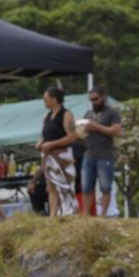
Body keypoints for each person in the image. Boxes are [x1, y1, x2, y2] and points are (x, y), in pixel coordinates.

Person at [36, 86, 80, 214]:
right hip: (49, 156)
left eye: (46, 98)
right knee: (51, 187)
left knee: (65, 187)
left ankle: (69, 213)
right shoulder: (47, 116)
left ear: (54, 99)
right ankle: (53, 215)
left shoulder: (66, 115)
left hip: (62, 156)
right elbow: (45, 135)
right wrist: (41, 142)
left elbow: (72, 136)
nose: (44, 101)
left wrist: (52, 144)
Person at [79, 87, 122, 217]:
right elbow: (81, 134)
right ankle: (85, 214)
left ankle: (103, 215)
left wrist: (96, 127)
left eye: (96, 99)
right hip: (89, 154)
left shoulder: (112, 112)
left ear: (104, 97)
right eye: (91, 100)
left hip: (105, 155)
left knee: (105, 187)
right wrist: (81, 129)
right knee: (86, 186)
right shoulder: (88, 114)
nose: (93, 102)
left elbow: (117, 131)